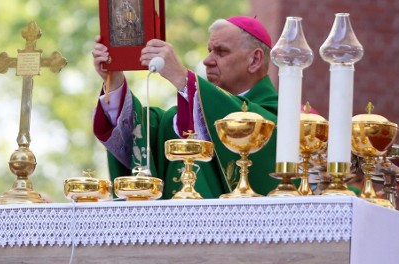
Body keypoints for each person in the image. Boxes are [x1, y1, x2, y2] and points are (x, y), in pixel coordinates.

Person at [91, 16, 278, 198]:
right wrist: (114, 83)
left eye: (221, 52)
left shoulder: (284, 118)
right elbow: (137, 136)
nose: (207, 60)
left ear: (254, 60)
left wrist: (181, 77)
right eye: (209, 50)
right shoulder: (177, 118)